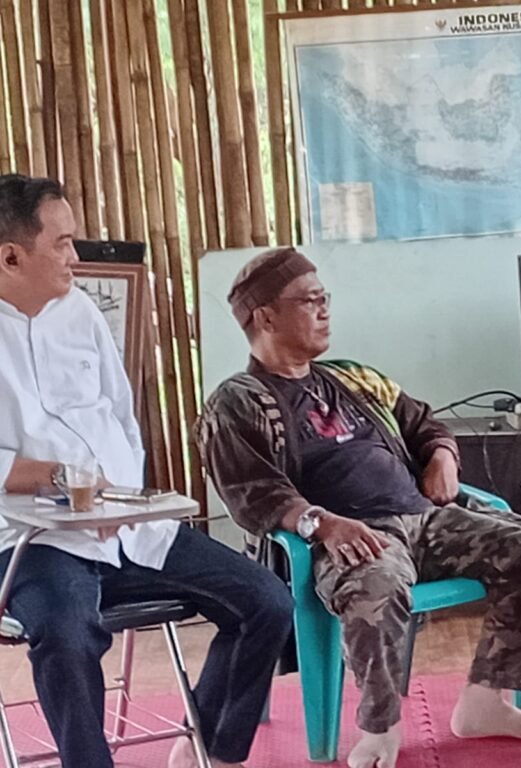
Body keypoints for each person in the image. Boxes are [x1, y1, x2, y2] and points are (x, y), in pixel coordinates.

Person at [198, 247, 521, 768]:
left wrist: (442, 456)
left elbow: (424, 423)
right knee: (376, 584)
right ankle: (380, 727)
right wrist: (324, 524)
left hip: (426, 521)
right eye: (309, 300)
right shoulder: (238, 400)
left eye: (325, 297)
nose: (325, 310)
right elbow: (251, 492)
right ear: (266, 317)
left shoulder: (353, 378)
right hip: (352, 535)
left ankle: (485, 700)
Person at [0, 174, 294, 768]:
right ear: (11, 257)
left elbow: (119, 416)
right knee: (66, 633)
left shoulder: (81, 311)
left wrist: (122, 500)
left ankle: (209, 749)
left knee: (266, 600)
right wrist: (63, 481)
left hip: (125, 528)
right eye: (62, 243)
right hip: (30, 542)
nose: (76, 256)